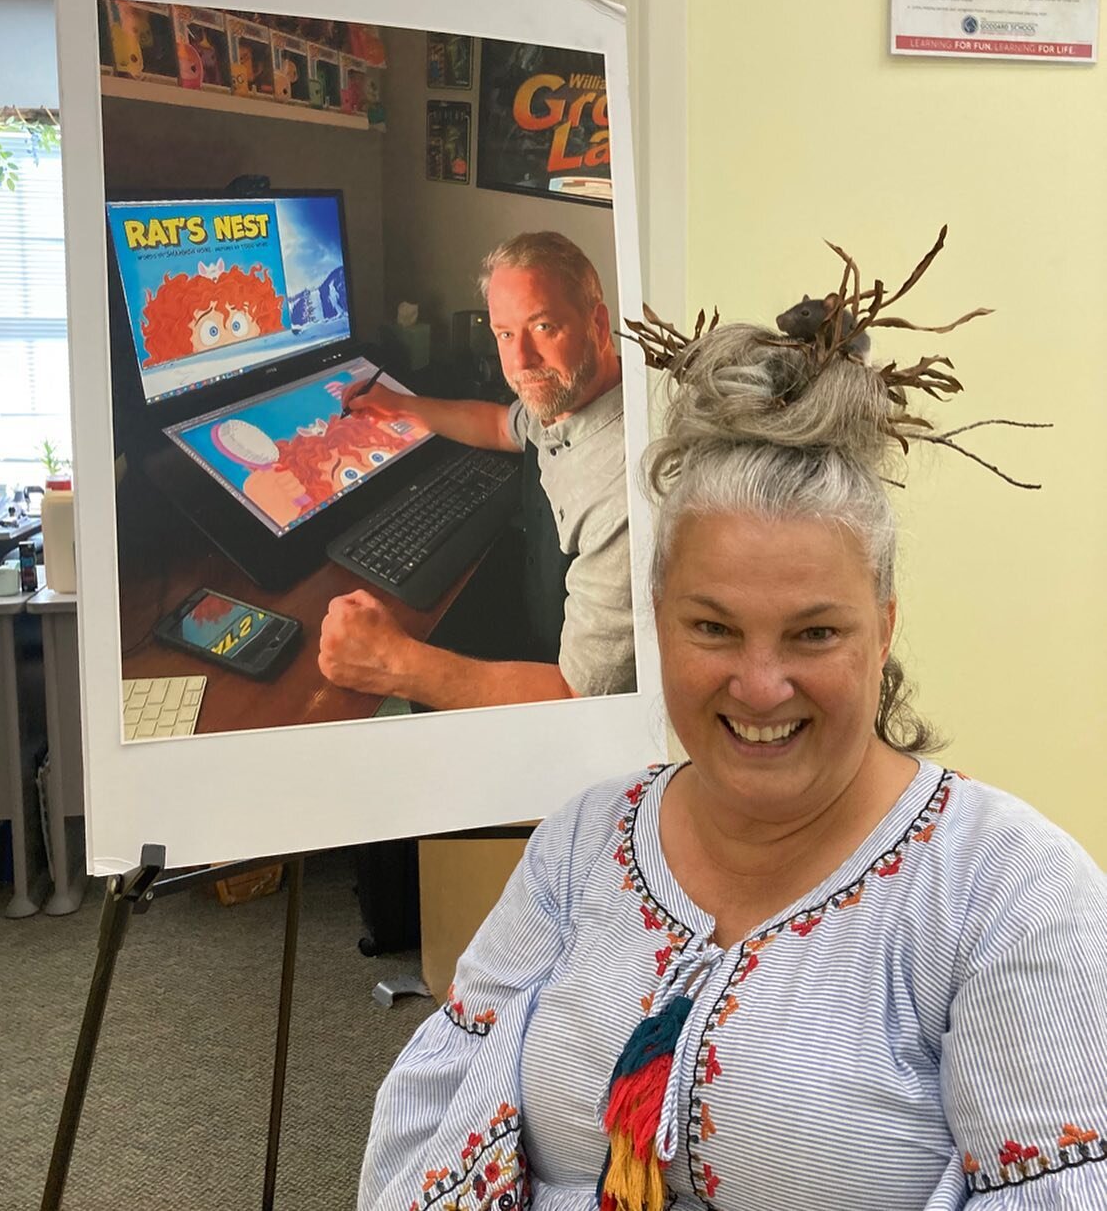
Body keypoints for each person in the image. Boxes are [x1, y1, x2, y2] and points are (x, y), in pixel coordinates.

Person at [355, 319, 1106, 1211]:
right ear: (660, 621)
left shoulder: (1009, 892)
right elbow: (441, 1104)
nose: (758, 686)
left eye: (814, 633)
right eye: (712, 627)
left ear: (884, 629)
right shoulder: (585, 841)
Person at [318, 231, 635, 707]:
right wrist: (403, 405)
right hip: (536, 632)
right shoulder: (573, 395)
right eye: (506, 334)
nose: (521, 360)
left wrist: (392, 662)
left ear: (598, 322)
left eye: (544, 327)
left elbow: (581, 698)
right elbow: (500, 425)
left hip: (563, 702)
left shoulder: (624, 489)